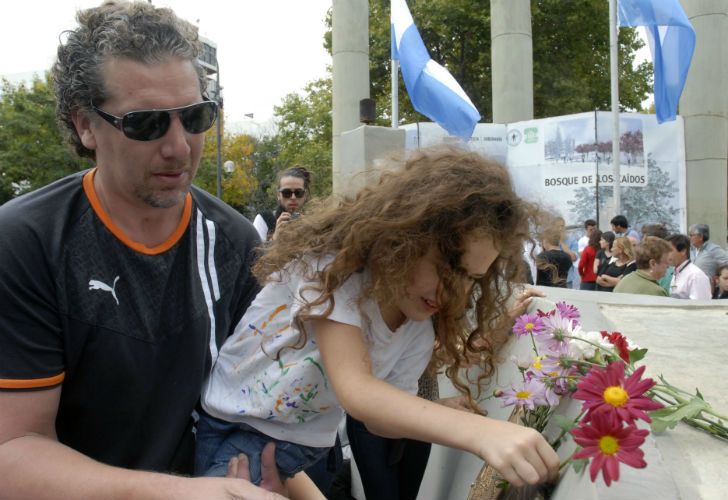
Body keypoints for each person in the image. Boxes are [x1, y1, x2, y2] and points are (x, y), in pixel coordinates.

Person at [0, 2, 290, 498]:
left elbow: (257, 409)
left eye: (196, 117)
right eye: (146, 124)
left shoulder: (237, 243)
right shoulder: (27, 243)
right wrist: (176, 494)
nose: (179, 146)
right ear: (86, 126)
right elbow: (13, 449)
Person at [196, 146, 560, 499]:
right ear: (403, 238)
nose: (457, 293)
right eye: (450, 267)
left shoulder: (417, 328)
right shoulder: (334, 272)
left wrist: (439, 413)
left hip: (297, 448)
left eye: (472, 279)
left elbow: (380, 421)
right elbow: (357, 392)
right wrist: (482, 433)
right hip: (240, 430)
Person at [253, 166, 311, 241]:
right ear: (278, 195)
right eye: (286, 193)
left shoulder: (313, 221)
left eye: (298, 193)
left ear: (305, 195)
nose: (293, 197)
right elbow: (252, 251)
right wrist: (275, 237)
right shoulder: (264, 219)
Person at [666, 234, 712, 300]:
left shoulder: (696, 276)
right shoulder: (676, 271)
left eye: (669, 250)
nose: (665, 254)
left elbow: (700, 307)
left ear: (683, 251)